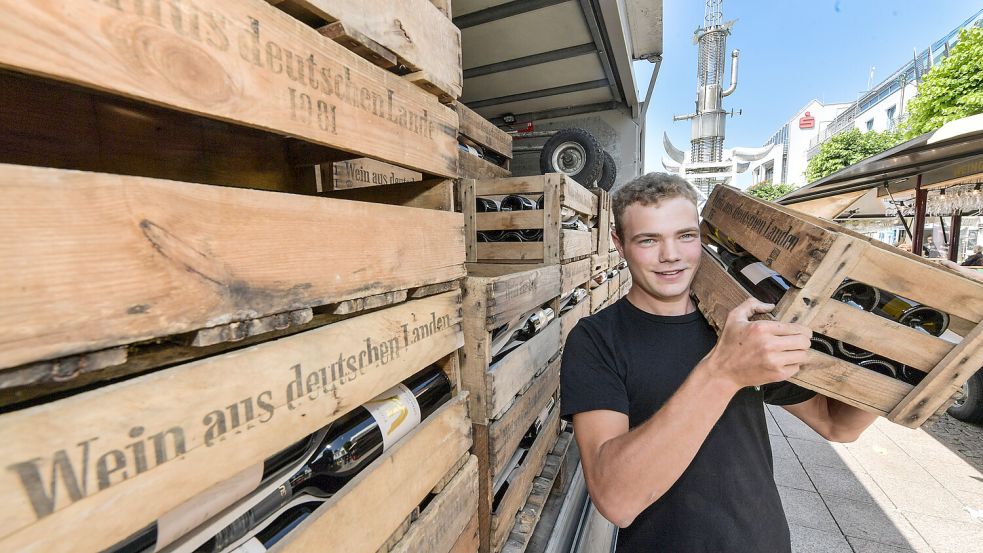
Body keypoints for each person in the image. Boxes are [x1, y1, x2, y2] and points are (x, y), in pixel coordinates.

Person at [560, 173, 878, 552]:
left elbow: (835, 423)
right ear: (619, 243)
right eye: (649, 240)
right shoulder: (596, 340)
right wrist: (724, 371)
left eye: (685, 236)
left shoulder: (738, 319)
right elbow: (616, 500)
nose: (671, 255)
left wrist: (904, 359)